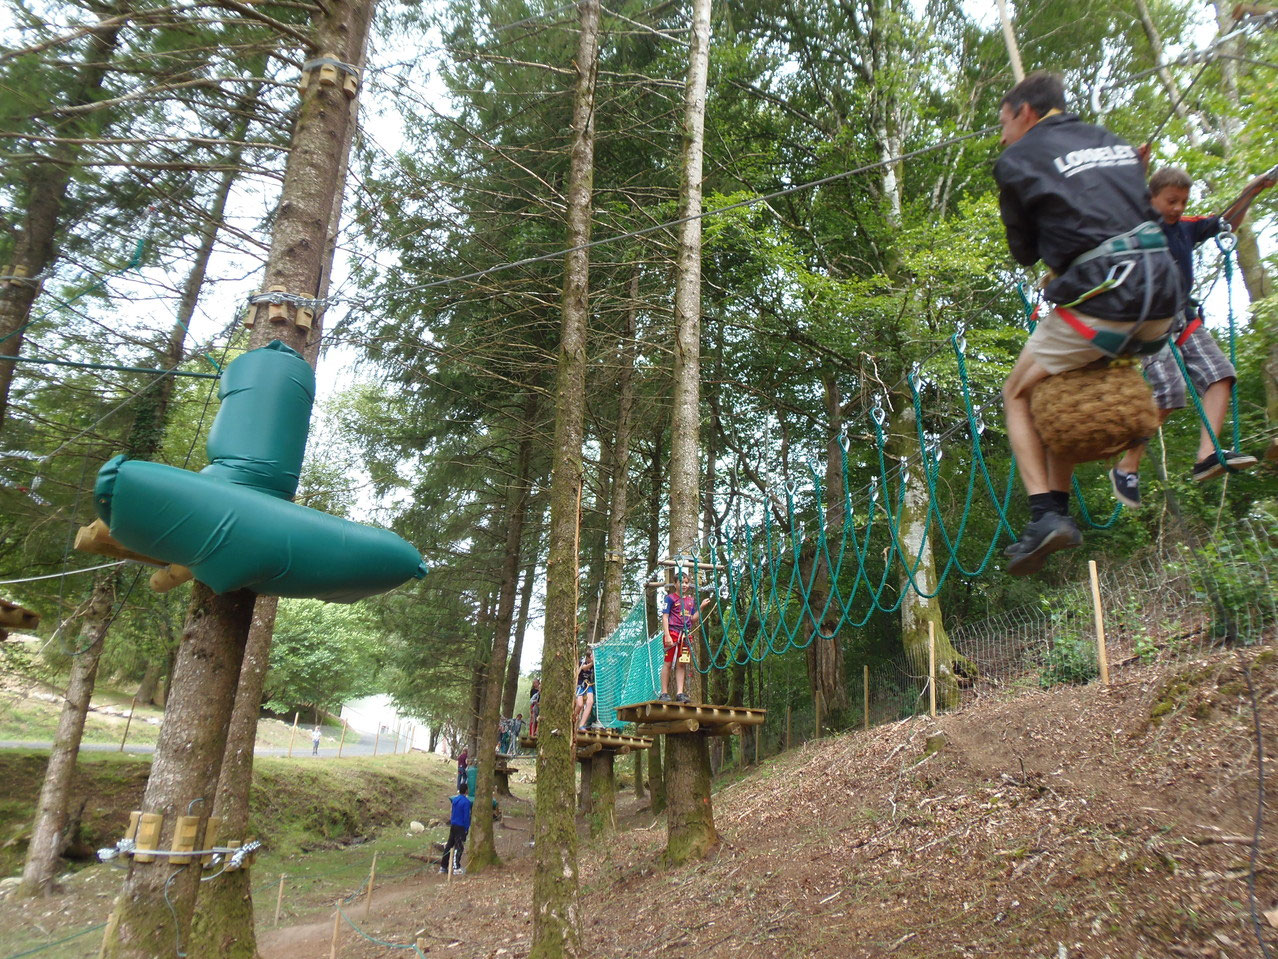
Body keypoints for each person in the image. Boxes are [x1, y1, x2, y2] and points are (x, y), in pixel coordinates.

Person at [993, 71, 1184, 576]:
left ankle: (1045, 513)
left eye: (1003, 122)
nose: (1002, 135)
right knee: (1064, 378)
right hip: (1163, 296)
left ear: (1025, 112)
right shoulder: (1113, 142)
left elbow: (1024, 252)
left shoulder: (1016, 159)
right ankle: (1056, 507)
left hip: (1107, 294)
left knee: (1015, 393)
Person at [1109, 165, 1275, 506]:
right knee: (1170, 391)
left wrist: (1251, 191)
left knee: (1221, 375)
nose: (1178, 208)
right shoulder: (1140, 225)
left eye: (1183, 201)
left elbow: (1226, 222)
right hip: (1148, 320)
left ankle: (1206, 455)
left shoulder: (1185, 227)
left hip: (1183, 315)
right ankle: (1127, 465)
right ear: (1152, 197)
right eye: (1171, 201)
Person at [659, 576, 714, 703]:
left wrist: (701, 607)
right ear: (675, 583)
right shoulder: (670, 598)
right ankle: (664, 692)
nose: (684, 585)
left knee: (681, 664)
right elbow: (665, 617)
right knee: (668, 662)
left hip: (685, 635)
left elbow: (693, 619)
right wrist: (667, 635)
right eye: (681, 582)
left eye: (686, 583)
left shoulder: (690, 600)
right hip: (673, 632)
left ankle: (680, 692)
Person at [438, 781, 472, 875]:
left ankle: (443, 866)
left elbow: (452, 812)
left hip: (453, 825)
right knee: (459, 846)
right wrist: (466, 828)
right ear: (466, 791)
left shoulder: (455, 800)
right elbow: (466, 816)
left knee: (449, 845)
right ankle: (456, 867)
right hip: (461, 826)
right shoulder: (466, 802)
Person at [573, 649, 595, 732]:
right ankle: (573, 717)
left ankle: (581, 725)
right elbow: (585, 668)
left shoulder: (594, 664)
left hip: (587, 684)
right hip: (579, 684)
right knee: (579, 704)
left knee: (590, 702)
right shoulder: (581, 662)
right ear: (588, 658)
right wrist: (592, 662)